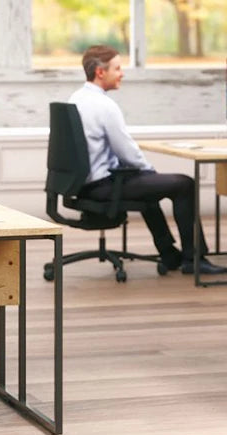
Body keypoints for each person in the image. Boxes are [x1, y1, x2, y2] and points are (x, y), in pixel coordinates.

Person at [69, 45, 226, 275]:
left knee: (144, 184)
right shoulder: (104, 106)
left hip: (83, 184)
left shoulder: (77, 98)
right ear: (100, 72)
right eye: (117, 68)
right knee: (184, 184)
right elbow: (126, 152)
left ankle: (169, 254)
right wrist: (149, 171)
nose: (122, 73)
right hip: (102, 187)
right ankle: (194, 259)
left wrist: (144, 174)